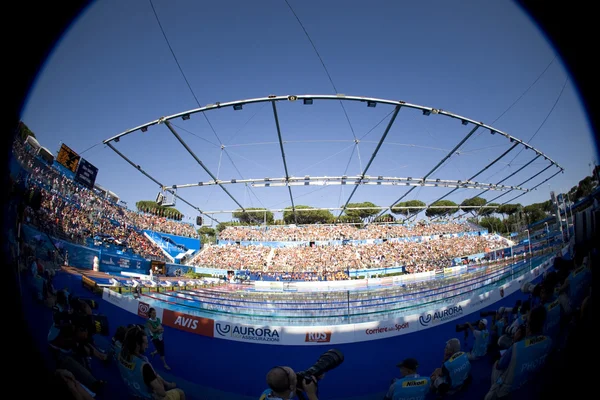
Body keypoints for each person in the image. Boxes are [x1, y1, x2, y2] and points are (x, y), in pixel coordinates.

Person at [484, 305, 552, 400]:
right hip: (530, 380)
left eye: (527, 322)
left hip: (509, 387)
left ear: (530, 325)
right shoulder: (548, 340)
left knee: (495, 362)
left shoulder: (516, 347)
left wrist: (515, 342)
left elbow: (500, 365)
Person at [117, 325, 184, 400]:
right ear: (137, 345)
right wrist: (152, 371)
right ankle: (167, 385)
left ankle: (167, 384)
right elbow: (162, 393)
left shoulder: (120, 354)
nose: (147, 346)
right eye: (146, 343)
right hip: (146, 396)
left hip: (132, 390)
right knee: (180, 393)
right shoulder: (144, 366)